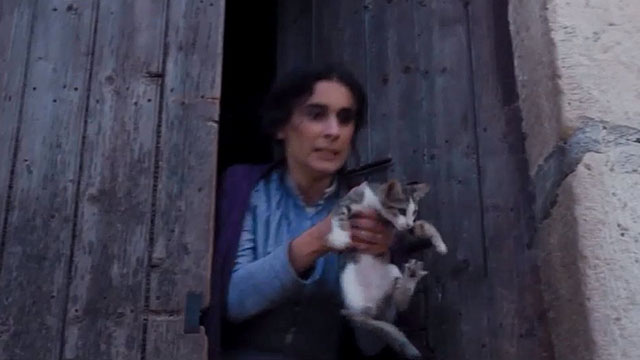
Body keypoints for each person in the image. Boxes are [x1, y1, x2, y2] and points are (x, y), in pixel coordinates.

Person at [204, 64, 396, 360]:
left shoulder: (364, 207)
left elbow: (373, 342)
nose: (333, 132)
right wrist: (319, 240)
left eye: (345, 118)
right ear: (281, 126)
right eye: (316, 115)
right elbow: (233, 303)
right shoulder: (248, 190)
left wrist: (377, 260)